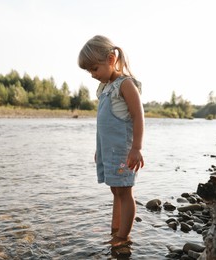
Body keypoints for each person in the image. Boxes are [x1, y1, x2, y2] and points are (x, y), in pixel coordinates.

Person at [78, 35, 145, 247]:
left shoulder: (124, 85)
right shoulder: (105, 88)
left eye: (94, 69)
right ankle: (115, 228)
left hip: (123, 152)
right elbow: (104, 127)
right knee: (115, 190)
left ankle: (123, 236)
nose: (92, 75)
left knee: (125, 191)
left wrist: (136, 148)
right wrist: (99, 150)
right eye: (89, 71)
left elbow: (138, 116)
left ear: (110, 59)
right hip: (109, 151)